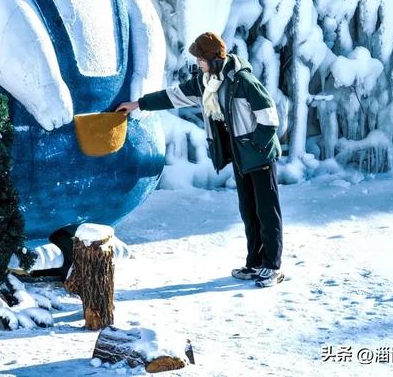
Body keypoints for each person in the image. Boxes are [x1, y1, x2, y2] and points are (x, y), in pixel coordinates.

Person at [116, 31, 284, 287]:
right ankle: (254, 264)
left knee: (267, 212)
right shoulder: (207, 83)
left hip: (258, 157)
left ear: (213, 58)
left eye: (200, 59)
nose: (197, 64)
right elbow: (172, 96)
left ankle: (272, 267)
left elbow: (269, 117)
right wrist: (138, 104)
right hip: (241, 158)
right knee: (249, 212)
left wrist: (255, 146)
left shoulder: (243, 81)